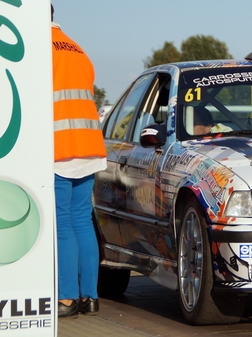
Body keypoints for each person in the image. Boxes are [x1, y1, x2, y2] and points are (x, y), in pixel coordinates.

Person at [52, 5, 107, 318]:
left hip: (60, 147)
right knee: (82, 219)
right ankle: (90, 297)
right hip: (88, 145)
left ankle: (67, 298)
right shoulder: (75, 47)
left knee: (62, 224)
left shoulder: (36, 51)